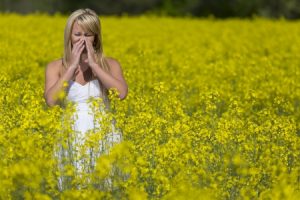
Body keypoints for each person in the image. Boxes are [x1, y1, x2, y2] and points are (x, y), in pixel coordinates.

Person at [44, 8, 128, 190]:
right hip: (71, 137)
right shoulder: (55, 67)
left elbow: (121, 94)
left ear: (96, 37)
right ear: (69, 35)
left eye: (88, 35)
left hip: (105, 136)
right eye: (77, 34)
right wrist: (71, 67)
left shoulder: (110, 64)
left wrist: (95, 66)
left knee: (108, 187)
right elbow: (51, 100)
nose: (82, 39)